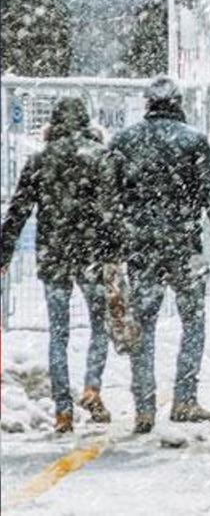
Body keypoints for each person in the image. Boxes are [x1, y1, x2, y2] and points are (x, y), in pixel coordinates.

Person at [109, 77, 210, 433]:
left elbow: (108, 199)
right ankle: (184, 397)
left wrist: (110, 244)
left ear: (147, 103)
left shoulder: (124, 141)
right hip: (184, 246)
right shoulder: (192, 141)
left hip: (141, 248)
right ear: (178, 102)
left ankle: (145, 406)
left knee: (143, 326)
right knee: (193, 320)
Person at [0, 99, 122, 433]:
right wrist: (114, 252)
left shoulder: (40, 160)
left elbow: (18, 209)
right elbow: (112, 211)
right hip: (92, 255)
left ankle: (63, 410)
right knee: (99, 325)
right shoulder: (100, 158)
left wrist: (4, 251)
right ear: (87, 124)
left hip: (54, 255)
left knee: (58, 333)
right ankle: (92, 388)